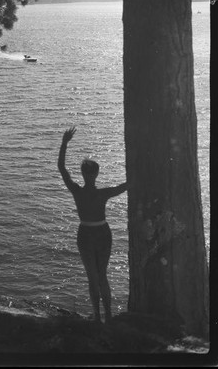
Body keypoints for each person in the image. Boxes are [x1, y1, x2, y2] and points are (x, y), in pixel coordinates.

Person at [57, 126, 127, 324]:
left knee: (92, 277)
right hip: (103, 231)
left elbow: (62, 169)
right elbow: (124, 187)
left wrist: (64, 144)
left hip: (85, 232)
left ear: (83, 173)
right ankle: (109, 315)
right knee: (102, 275)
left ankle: (97, 316)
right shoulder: (102, 193)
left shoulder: (77, 191)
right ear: (96, 174)